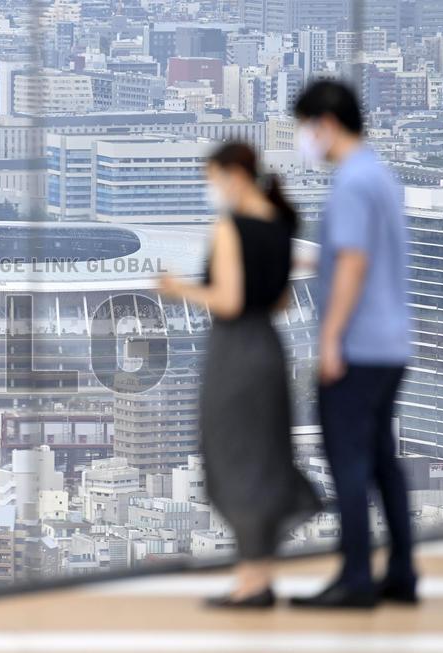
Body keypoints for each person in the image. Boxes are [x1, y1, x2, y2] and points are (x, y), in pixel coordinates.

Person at [159, 142, 320, 609]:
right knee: (263, 456)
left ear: (232, 175)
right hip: (268, 346)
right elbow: (282, 301)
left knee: (233, 458)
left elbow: (228, 301)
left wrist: (179, 289)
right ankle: (259, 575)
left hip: (235, 351)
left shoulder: (231, 228)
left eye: (212, 178)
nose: (211, 189)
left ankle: (251, 583)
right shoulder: (280, 224)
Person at [289, 80, 418, 609]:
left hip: (360, 347)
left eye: (305, 127)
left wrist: (332, 339)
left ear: (326, 123)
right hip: (392, 344)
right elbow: (359, 257)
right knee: (384, 460)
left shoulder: (350, 184)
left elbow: (355, 263)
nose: (304, 139)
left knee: (348, 463)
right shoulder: (380, 175)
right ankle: (402, 574)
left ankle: (356, 579)